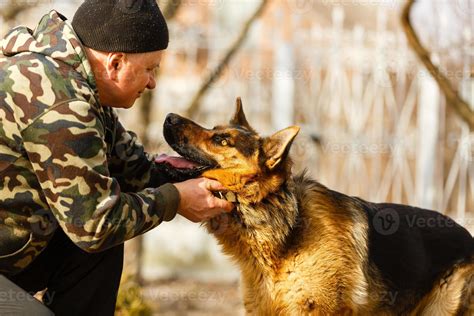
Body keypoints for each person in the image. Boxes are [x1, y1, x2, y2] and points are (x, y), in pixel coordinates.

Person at [0, 0, 234, 314]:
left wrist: (201, 175)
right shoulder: (61, 103)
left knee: (101, 248)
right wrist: (175, 199)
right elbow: (96, 224)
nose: (153, 82)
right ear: (115, 63)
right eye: (150, 69)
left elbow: (135, 170)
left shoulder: (78, 84)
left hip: (13, 250)